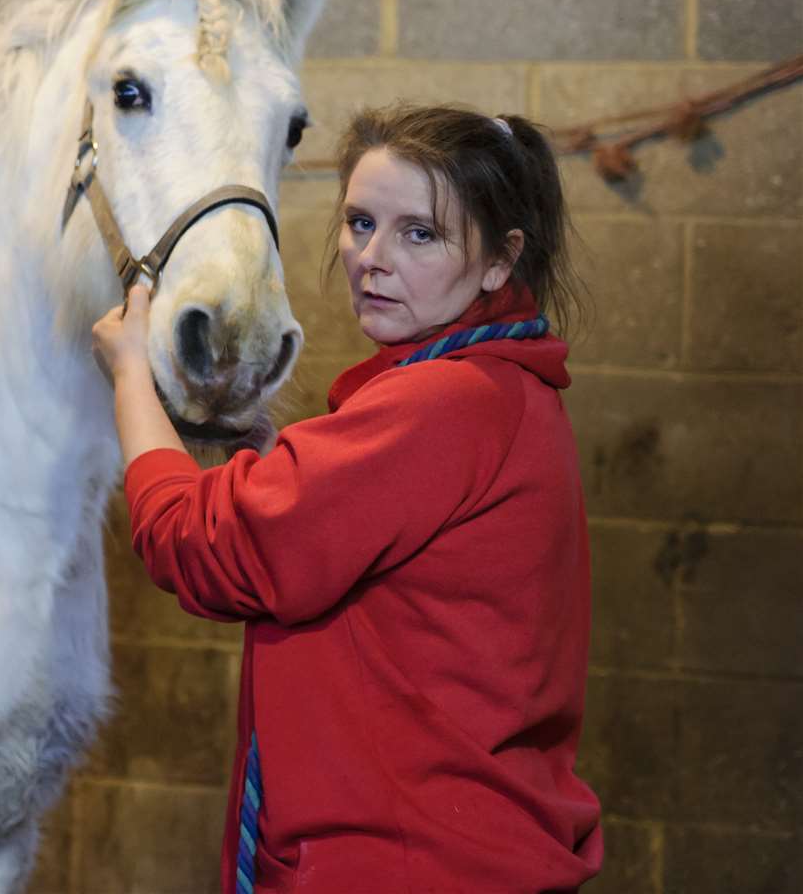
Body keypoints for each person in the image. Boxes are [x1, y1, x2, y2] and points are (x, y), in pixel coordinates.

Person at [92, 104, 602, 893]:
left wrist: (132, 378)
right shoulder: (505, 386)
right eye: (360, 222)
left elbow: (196, 545)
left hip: (402, 863)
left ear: (501, 262)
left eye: (419, 234)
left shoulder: (445, 401)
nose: (372, 258)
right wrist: (272, 469)